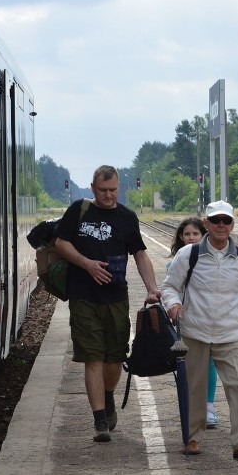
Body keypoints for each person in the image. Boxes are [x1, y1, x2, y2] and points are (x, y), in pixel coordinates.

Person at [54, 165, 161, 443]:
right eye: (103, 190)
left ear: (118, 188)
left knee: (114, 358)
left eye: (113, 190)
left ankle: (108, 396)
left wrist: (152, 288)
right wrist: (86, 264)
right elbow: (61, 244)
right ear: (93, 187)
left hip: (115, 297)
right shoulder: (79, 210)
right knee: (93, 356)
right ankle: (100, 419)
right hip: (83, 296)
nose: (108, 195)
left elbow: (140, 254)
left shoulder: (126, 217)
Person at [162, 201, 238, 458]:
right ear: (206, 223)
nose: (221, 225)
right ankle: (193, 438)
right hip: (194, 332)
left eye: (226, 221)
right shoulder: (189, 254)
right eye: (216, 220)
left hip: (230, 332)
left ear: (232, 225)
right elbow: (169, 287)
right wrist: (174, 304)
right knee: (195, 387)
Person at [168, 217, 220, 429]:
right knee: (189, 365)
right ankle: (191, 406)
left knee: (210, 363)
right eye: (187, 234)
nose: (191, 238)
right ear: (181, 237)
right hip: (185, 322)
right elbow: (170, 288)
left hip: (210, 319)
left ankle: (208, 406)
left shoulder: (211, 259)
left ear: (203, 236)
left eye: (195, 234)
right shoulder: (174, 262)